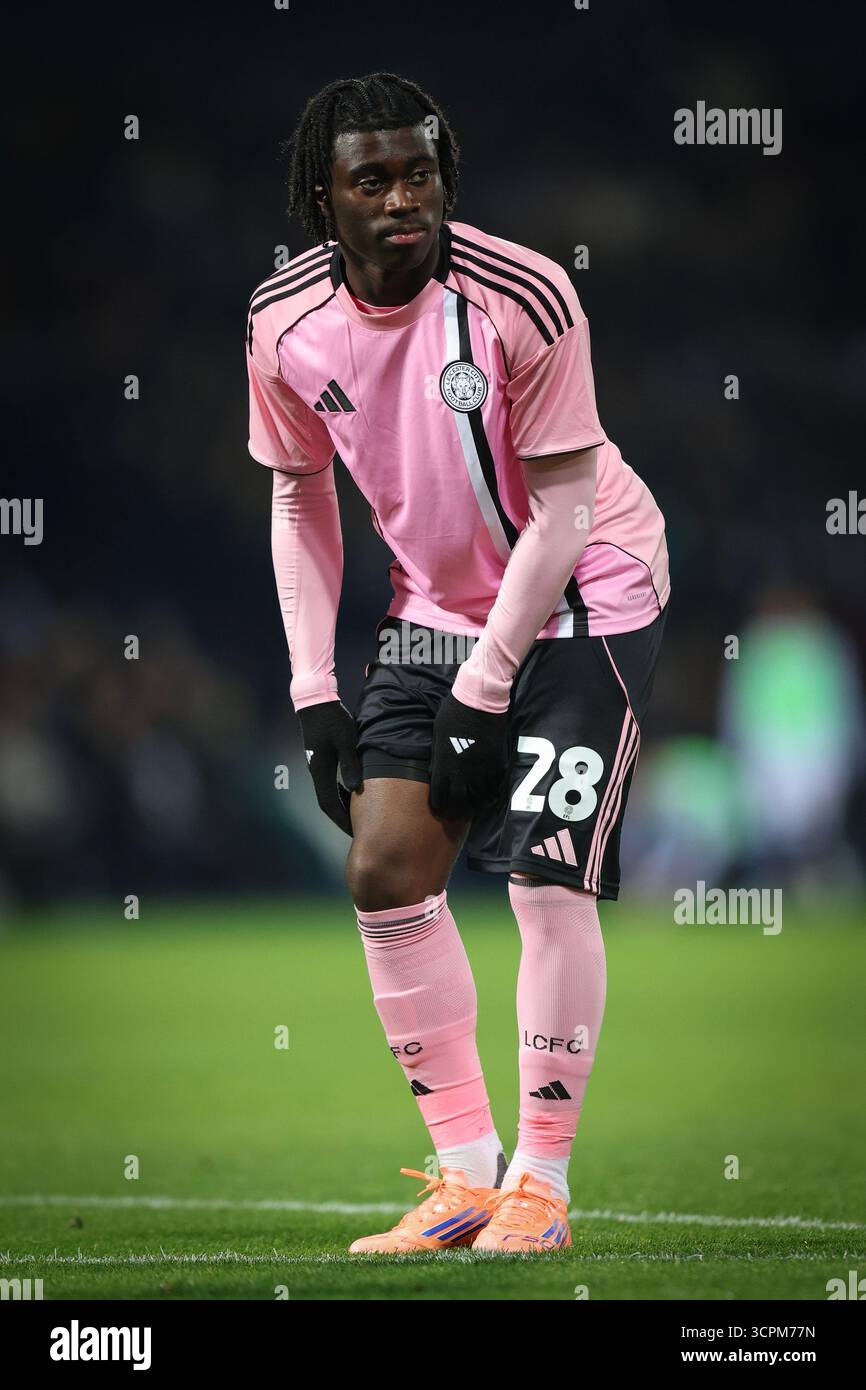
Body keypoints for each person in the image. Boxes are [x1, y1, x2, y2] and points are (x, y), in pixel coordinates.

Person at [246, 72, 669, 1254]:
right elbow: (298, 494)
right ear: (320, 198)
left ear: (445, 177)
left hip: (585, 592)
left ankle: (539, 1187)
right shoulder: (281, 323)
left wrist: (486, 691)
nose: (399, 201)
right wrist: (312, 689)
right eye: (367, 180)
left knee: (543, 883)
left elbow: (568, 507)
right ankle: (462, 1177)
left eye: (417, 174)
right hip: (435, 607)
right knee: (384, 871)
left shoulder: (521, 295)